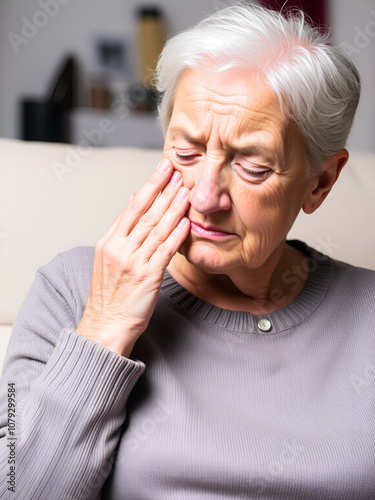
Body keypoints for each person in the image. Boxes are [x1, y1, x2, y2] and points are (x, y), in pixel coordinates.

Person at [0, 4, 374, 499]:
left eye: (253, 166)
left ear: (319, 182)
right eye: (186, 152)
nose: (205, 198)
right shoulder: (70, 288)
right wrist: (105, 329)